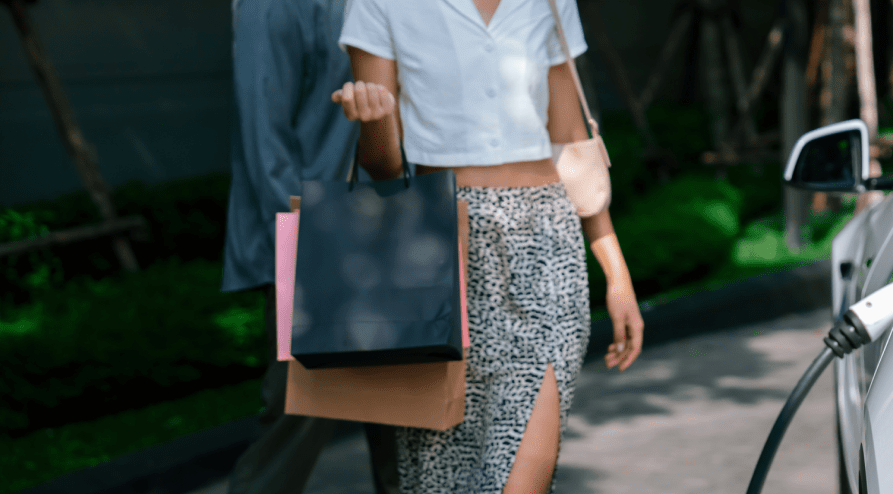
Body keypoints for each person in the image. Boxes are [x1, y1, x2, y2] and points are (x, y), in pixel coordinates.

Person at [332, 0, 646, 492]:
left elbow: (570, 138)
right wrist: (373, 120)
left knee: (522, 481)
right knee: (441, 480)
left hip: (547, 247)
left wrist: (616, 271)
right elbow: (385, 171)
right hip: (438, 251)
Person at [220, 0, 399, 492]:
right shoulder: (271, 6)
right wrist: (311, 248)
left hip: (390, 236)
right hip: (314, 246)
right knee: (299, 415)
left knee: (404, 428)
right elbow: (264, 141)